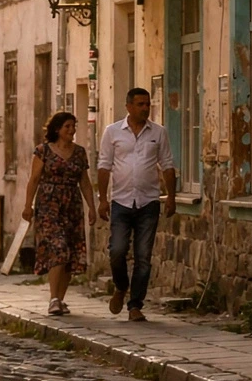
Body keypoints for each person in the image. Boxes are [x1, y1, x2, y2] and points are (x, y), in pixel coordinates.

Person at [94, 87, 176, 322]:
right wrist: (102, 199)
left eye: (147, 104)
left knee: (143, 256)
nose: (144, 108)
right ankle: (121, 286)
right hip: (120, 201)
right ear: (128, 106)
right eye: (140, 104)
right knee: (117, 251)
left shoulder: (158, 133)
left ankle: (135, 305)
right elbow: (104, 165)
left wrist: (170, 196)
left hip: (148, 201)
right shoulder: (112, 132)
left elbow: (167, 164)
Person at [22, 110, 96, 317]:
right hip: (49, 206)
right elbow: (34, 179)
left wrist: (92, 206)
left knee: (71, 252)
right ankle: (54, 298)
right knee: (58, 248)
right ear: (57, 129)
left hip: (72, 206)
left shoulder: (79, 152)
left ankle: (60, 300)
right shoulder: (43, 151)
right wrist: (28, 206)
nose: (72, 131)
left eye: (74, 127)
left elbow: (85, 182)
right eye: (67, 127)